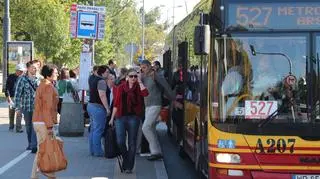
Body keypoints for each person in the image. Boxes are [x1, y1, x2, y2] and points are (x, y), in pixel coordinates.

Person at [140, 60, 182, 161]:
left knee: (146, 127)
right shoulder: (143, 77)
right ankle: (156, 151)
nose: (143, 69)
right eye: (141, 68)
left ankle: (155, 151)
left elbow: (166, 87)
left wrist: (174, 100)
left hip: (155, 104)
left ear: (150, 66)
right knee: (151, 127)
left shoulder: (156, 75)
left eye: (145, 67)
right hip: (147, 106)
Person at [109, 68, 149, 173]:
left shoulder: (139, 88)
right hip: (120, 117)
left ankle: (129, 167)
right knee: (120, 141)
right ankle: (126, 159)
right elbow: (116, 103)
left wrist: (140, 81)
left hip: (134, 118)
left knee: (132, 143)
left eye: (135, 76)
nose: (133, 78)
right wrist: (112, 118)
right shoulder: (121, 87)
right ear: (127, 77)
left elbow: (146, 93)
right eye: (131, 76)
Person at [31, 64, 59, 179]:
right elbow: (47, 107)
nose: (57, 74)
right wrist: (49, 126)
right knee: (44, 150)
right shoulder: (48, 87)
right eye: (55, 72)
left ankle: (37, 175)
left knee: (42, 150)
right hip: (44, 122)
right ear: (49, 74)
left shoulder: (42, 85)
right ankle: (48, 175)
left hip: (38, 121)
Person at [14, 60, 39, 153]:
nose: (35, 69)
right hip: (26, 107)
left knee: (34, 126)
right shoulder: (22, 79)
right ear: (28, 68)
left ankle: (33, 145)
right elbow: (17, 94)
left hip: (37, 108)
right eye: (33, 67)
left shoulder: (39, 79)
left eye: (36, 67)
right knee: (28, 127)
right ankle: (30, 143)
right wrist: (17, 108)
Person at [87, 65, 111, 157]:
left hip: (91, 106)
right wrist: (107, 108)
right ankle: (98, 151)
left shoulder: (93, 78)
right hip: (98, 107)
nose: (108, 74)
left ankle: (92, 150)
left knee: (93, 129)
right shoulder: (101, 81)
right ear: (102, 73)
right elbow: (102, 96)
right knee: (98, 130)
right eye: (107, 72)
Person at [5, 63, 26, 133]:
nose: (22, 72)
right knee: (11, 113)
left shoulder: (23, 78)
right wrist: (8, 97)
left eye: (22, 71)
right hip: (11, 97)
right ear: (16, 70)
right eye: (20, 71)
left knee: (19, 113)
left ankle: (18, 128)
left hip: (19, 98)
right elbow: (7, 88)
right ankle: (11, 126)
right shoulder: (10, 77)